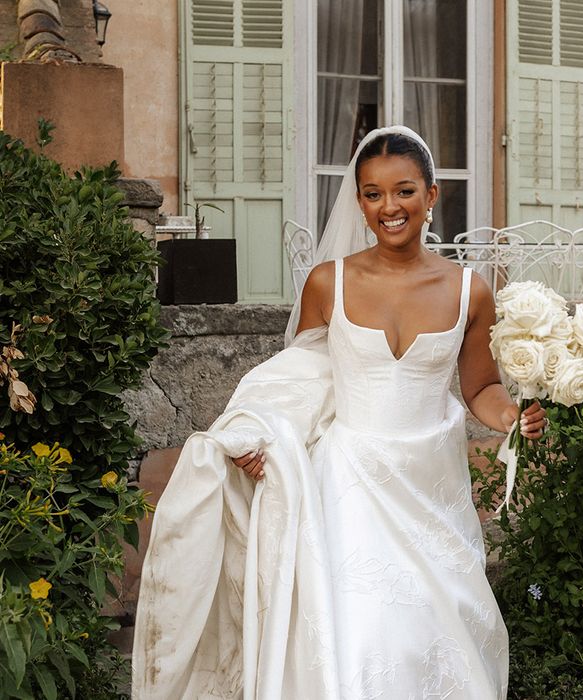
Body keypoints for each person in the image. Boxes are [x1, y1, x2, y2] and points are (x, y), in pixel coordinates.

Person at [131, 126, 545, 699]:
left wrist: (510, 418)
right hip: (347, 488)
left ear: (432, 195)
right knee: (362, 640)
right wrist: (266, 438)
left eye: (403, 191)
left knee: (436, 635)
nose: (388, 207)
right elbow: (300, 381)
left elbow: (481, 386)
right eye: (372, 194)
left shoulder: (470, 290)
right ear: (359, 202)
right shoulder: (329, 282)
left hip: (431, 491)